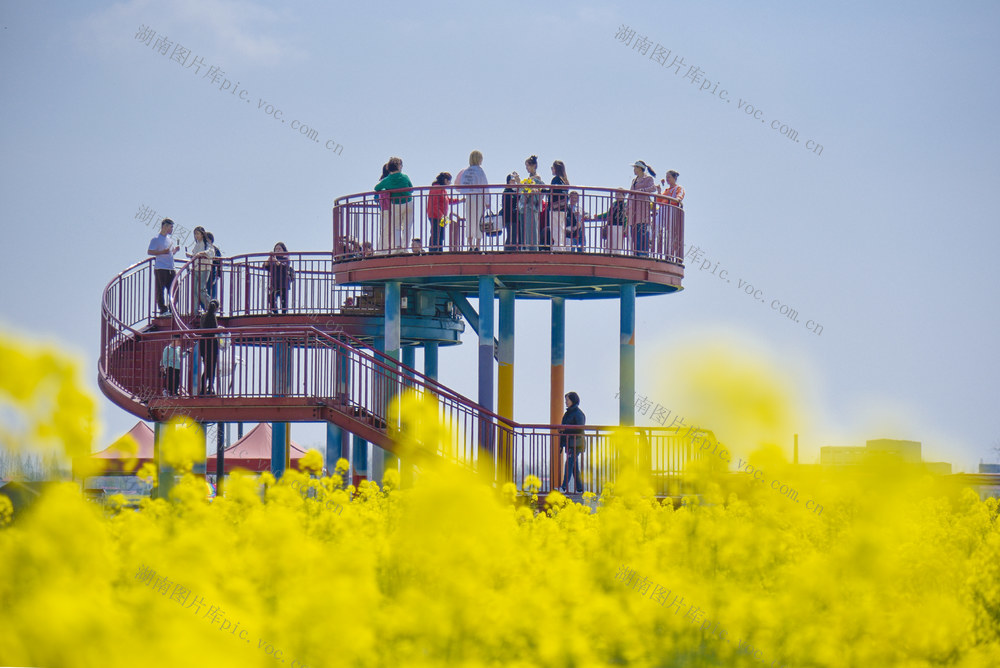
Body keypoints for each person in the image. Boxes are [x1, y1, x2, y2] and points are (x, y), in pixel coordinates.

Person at [374, 157, 414, 255]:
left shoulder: (387, 180)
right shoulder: (405, 177)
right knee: (407, 227)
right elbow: (411, 189)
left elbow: (376, 188)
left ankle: (397, 247)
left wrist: (386, 190)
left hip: (396, 204)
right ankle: (405, 248)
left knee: (396, 226)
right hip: (408, 202)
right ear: (398, 166)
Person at [456, 150, 489, 251]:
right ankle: (478, 245)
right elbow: (485, 187)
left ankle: (470, 244)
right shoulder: (480, 171)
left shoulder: (466, 171)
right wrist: (487, 202)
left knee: (469, 220)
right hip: (478, 197)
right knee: (479, 220)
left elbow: (460, 186)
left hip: (469, 197)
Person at [147, 218, 181, 316]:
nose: (171, 230)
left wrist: (175, 251)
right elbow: (150, 251)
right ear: (164, 226)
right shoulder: (156, 239)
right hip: (161, 267)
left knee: (174, 288)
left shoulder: (169, 240)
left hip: (171, 267)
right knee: (160, 289)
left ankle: (172, 308)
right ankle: (163, 310)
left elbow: (170, 253)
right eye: (171, 227)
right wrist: (163, 252)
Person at [627, 160, 657, 257]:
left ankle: (643, 255)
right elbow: (630, 193)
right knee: (634, 235)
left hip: (643, 211)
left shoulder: (648, 178)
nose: (634, 170)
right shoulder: (634, 180)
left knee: (643, 234)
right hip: (633, 211)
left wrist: (641, 191)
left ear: (640, 168)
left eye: (635, 167)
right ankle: (636, 254)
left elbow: (653, 188)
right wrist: (627, 207)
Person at [559, 391, 586, 493]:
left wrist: (565, 430)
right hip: (569, 443)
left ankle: (563, 487)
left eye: (567, 400)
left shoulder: (578, 414)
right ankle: (579, 488)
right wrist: (561, 445)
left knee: (569, 463)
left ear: (573, 400)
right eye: (565, 400)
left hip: (576, 443)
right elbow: (563, 429)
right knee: (574, 466)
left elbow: (579, 429)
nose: (565, 402)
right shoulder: (567, 414)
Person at [426, 172, 460, 253]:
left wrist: (459, 200)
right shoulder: (437, 188)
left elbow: (447, 200)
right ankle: (433, 252)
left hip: (442, 216)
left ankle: (439, 251)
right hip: (435, 215)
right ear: (445, 180)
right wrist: (441, 216)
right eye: (449, 182)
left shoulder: (442, 189)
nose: (449, 184)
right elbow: (435, 204)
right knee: (435, 234)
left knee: (441, 235)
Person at [655, 170, 685, 256]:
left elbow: (679, 196)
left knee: (670, 231)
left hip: (671, 209)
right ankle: (651, 239)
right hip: (662, 209)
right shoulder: (667, 190)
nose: (667, 179)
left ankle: (669, 252)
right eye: (666, 177)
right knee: (656, 225)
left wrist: (677, 199)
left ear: (674, 178)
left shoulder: (678, 188)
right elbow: (659, 201)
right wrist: (659, 191)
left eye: (669, 177)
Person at [518, 155, 545, 251]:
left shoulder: (536, 178)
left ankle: (532, 248)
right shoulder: (529, 178)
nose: (526, 168)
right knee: (527, 228)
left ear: (533, 166)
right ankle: (528, 247)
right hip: (527, 205)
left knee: (532, 228)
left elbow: (538, 188)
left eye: (527, 166)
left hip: (532, 205)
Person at [187, 226, 215, 313]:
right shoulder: (197, 245)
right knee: (195, 291)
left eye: (198, 234)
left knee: (201, 290)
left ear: (202, 234)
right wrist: (191, 255)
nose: (196, 236)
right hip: (196, 268)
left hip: (204, 268)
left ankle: (212, 306)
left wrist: (201, 253)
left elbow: (210, 252)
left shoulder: (207, 244)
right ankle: (195, 311)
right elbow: (195, 255)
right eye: (195, 234)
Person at [198, 299, 222, 395]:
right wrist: (220, 329)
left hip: (203, 344)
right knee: (211, 368)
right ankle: (208, 388)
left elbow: (203, 329)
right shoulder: (212, 316)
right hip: (212, 344)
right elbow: (214, 330)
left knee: (207, 367)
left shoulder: (203, 316)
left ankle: (204, 388)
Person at [595, 190, 629, 255]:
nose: (617, 196)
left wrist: (625, 228)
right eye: (616, 194)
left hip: (619, 226)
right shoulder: (614, 204)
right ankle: (608, 255)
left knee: (617, 244)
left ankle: (617, 256)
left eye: (619, 194)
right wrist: (599, 216)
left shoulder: (625, 205)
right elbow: (608, 214)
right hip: (611, 225)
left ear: (623, 196)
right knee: (609, 243)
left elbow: (625, 217)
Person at [547, 160, 570, 251]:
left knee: (555, 227)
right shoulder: (565, 180)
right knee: (561, 227)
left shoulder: (556, 179)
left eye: (552, 168)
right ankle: (561, 246)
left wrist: (544, 191)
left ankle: (557, 247)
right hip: (563, 208)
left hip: (555, 207)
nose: (552, 170)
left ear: (556, 169)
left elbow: (552, 192)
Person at [267, 242, 294, 314]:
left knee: (283, 300)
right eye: (276, 249)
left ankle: (284, 314)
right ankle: (275, 313)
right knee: (271, 299)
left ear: (283, 250)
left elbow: (284, 266)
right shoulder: (273, 259)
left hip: (283, 283)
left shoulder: (286, 258)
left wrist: (276, 261)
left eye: (279, 249)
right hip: (274, 283)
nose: (278, 250)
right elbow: (265, 267)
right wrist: (269, 259)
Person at [501, 173, 521, 251]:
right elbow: (508, 204)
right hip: (509, 218)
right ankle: (507, 251)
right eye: (512, 181)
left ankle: (514, 250)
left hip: (515, 218)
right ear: (508, 182)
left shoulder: (514, 191)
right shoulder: (507, 191)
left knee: (516, 236)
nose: (514, 183)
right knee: (511, 236)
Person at [205, 231, 223, 304]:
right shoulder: (202, 248)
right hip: (204, 270)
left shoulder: (215, 249)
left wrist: (218, 274)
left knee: (211, 290)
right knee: (203, 290)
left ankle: (212, 306)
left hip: (212, 272)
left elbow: (219, 261)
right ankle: (205, 306)